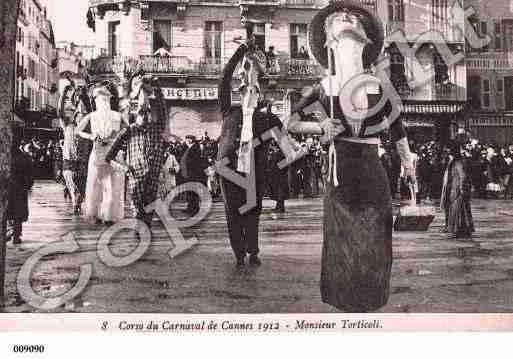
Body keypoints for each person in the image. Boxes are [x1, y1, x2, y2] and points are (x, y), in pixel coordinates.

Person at [286, 2, 415, 312]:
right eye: (339, 18)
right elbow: (289, 123)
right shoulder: (322, 87)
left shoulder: (381, 87)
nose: (346, 18)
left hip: (372, 168)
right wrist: (320, 125)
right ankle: (344, 301)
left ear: (366, 40)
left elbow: (398, 131)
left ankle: (370, 299)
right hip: (339, 171)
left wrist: (408, 162)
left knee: (373, 232)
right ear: (330, 40)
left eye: (353, 18)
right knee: (342, 237)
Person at [218, 27, 284, 267]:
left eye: (254, 92)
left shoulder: (264, 118)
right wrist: (242, 51)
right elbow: (225, 77)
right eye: (245, 90)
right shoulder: (229, 110)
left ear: (258, 96)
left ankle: (253, 250)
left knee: (252, 210)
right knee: (232, 211)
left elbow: (285, 133)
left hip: (254, 167)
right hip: (228, 167)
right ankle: (238, 252)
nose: (249, 94)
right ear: (240, 92)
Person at [105, 72, 169, 228]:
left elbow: (162, 109)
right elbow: (109, 157)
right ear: (135, 115)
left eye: (147, 112)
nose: (145, 115)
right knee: (136, 206)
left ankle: (144, 229)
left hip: (153, 174)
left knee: (150, 206)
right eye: (141, 112)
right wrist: (125, 168)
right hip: (135, 174)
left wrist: (157, 86)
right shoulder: (128, 131)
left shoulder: (156, 127)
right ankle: (138, 228)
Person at [77, 83, 126, 225]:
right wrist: (92, 137)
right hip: (98, 151)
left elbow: (128, 129)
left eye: (104, 98)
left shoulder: (118, 115)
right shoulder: (91, 116)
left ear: (109, 100)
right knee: (96, 184)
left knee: (112, 184)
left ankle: (109, 214)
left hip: (113, 152)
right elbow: (78, 131)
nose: (102, 101)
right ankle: (98, 213)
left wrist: (118, 136)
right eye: (99, 99)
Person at [440, 140, 474, 238]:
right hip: (452, 188)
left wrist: (462, 188)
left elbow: (462, 176)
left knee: (459, 210)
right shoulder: (453, 161)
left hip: (457, 189)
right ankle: (456, 229)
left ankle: (460, 230)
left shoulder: (458, 162)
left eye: (448, 149)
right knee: (455, 210)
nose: (446, 151)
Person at [6, 126, 34, 245]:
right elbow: (30, 177)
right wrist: (27, 186)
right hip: (19, 189)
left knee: (7, 212)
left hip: (8, 188)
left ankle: (10, 232)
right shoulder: (25, 157)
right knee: (17, 214)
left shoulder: (5, 156)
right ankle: (16, 235)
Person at [180, 135, 208, 215]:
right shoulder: (189, 148)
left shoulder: (195, 148)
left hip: (193, 174)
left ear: (191, 140)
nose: (185, 141)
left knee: (193, 192)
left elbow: (195, 162)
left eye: (187, 139)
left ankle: (194, 209)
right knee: (190, 192)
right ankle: (190, 207)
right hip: (188, 174)